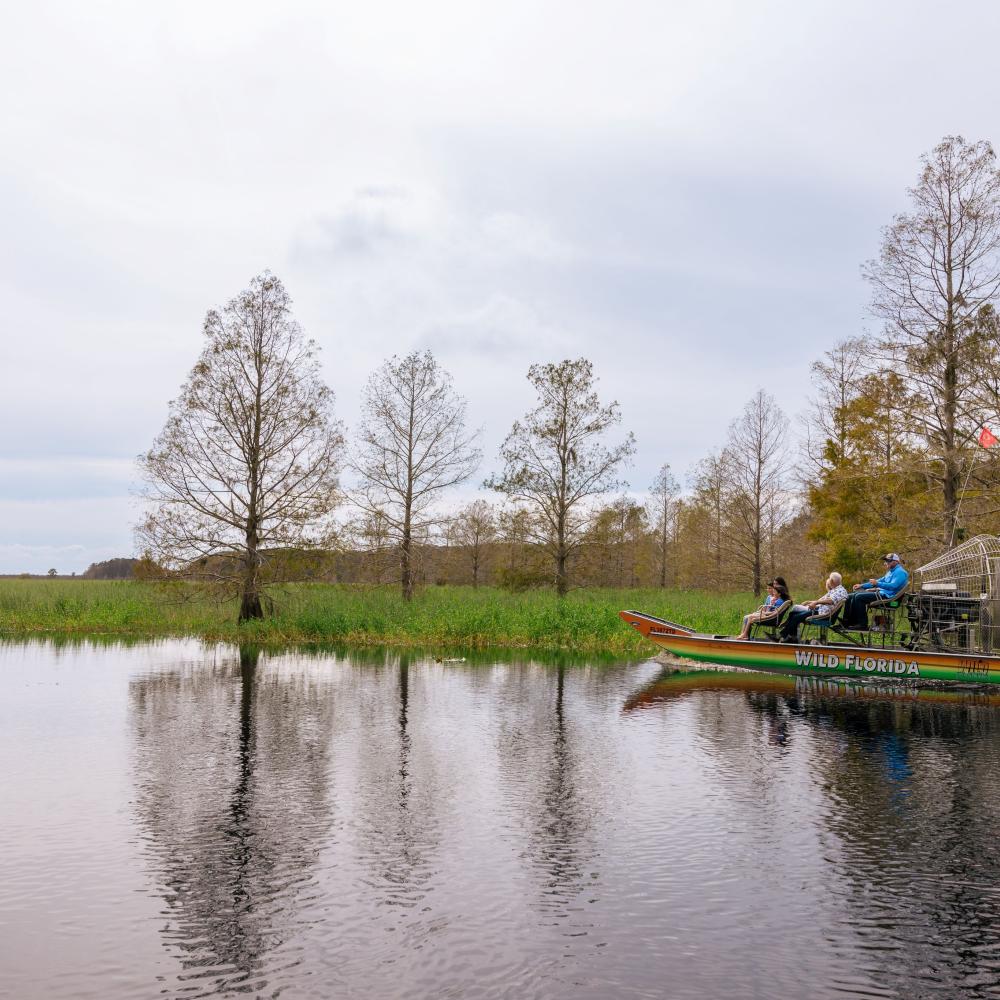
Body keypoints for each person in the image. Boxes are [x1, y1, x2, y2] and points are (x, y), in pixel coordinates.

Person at [841, 553, 909, 629]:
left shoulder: (900, 572)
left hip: (889, 598)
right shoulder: (890, 572)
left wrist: (878, 584)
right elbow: (877, 581)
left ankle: (862, 624)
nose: (886, 563)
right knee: (850, 596)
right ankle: (847, 622)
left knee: (859, 597)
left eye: (888, 561)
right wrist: (862, 586)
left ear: (896, 562)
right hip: (882, 594)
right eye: (886, 561)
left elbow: (893, 586)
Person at [780, 572, 849, 642]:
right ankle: (792, 637)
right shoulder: (836, 590)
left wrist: (816, 602)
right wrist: (809, 602)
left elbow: (830, 601)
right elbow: (824, 600)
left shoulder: (840, 591)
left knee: (796, 617)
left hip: (823, 614)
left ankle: (782, 636)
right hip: (820, 611)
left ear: (831, 581)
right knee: (793, 613)